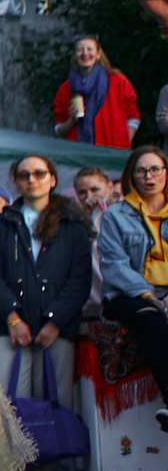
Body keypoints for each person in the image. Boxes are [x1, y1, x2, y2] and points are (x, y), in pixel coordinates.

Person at [94, 144, 168, 432]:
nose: (149, 176)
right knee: (151, 317)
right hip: (128, 294)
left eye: (155, 169)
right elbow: (114, 265)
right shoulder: (115, 215)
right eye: (141, 170)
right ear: (132, 176)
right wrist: (151, 296)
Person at [52, 35, 139, 149]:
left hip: (112, 153)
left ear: (98, 54)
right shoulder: (66, 89)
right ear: (74, 55)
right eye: (80, 50)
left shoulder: (118, 82)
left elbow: (133, 118)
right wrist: (71, 120)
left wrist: (122, 144)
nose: (84, 53)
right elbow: (58, 130)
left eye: (89, 49)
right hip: (77, 154)